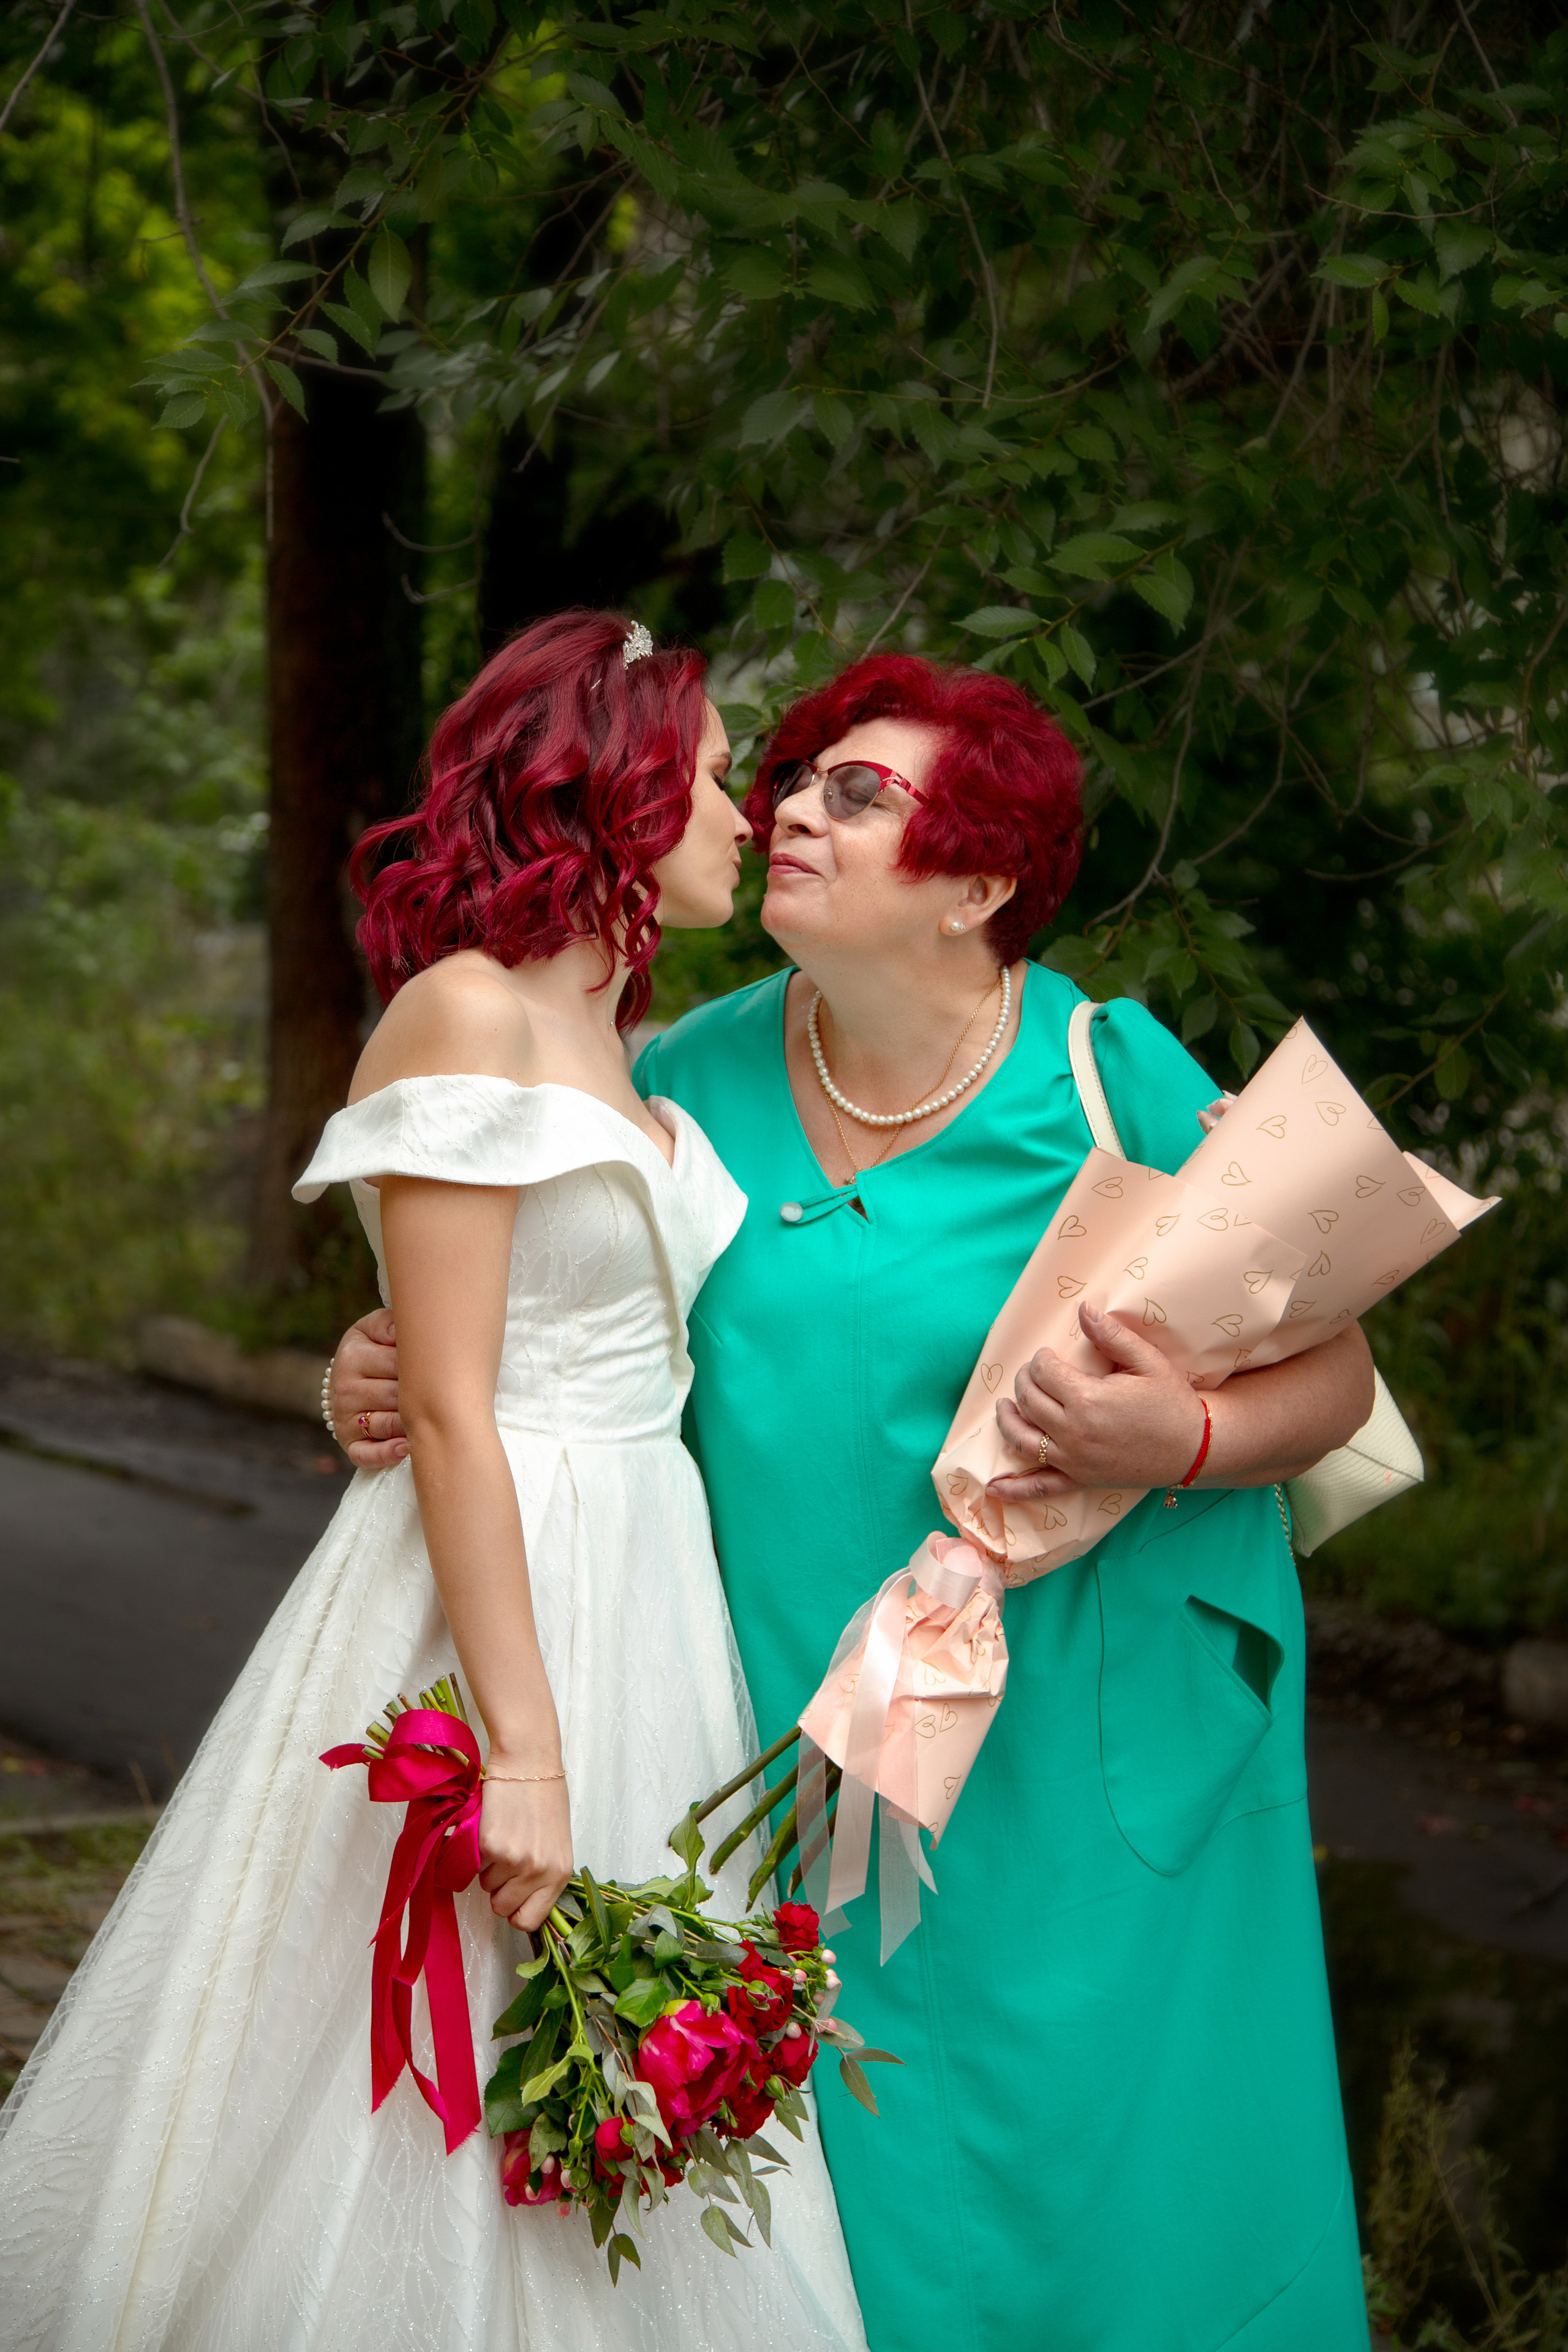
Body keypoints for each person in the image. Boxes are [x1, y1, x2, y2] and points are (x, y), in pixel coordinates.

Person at [335, 649, 1377, 2351]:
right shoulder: (684, 1072)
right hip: (783, 1751)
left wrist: (1169, 1435)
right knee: (841, 2206)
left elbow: (1334, 1378)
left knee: (1134, 2192)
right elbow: (528, 1303)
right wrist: (366, 1362)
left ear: (976, 884)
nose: (791, 809)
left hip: (1089, 1747)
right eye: (800, 778)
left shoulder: (1114, 1069)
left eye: (857, 795)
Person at [0, 613, 867, 2352]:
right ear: (605, 789)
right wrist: (523, 1750)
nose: (739, 815)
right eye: (706, 777)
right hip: (501, 1586)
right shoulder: (464, 1011)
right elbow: (460, 1410)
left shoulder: (623, 1043)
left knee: (620, 2041)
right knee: (411, 2055)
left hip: (644, 1588)